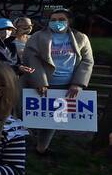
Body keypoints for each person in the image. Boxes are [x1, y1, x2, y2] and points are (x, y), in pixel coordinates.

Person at [23, 9, 94, 155]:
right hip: (43, 84)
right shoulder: (37, 37)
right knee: (34, 115)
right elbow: (31, 58)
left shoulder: (81, 38)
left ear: (69, 21)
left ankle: (41, 148)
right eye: (53, 19)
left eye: (61, 19)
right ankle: (26, 142)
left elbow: (87, 61)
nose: (57, 22)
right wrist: (39, 81)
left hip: (66, 85)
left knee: (53, 119)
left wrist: (78, 83)